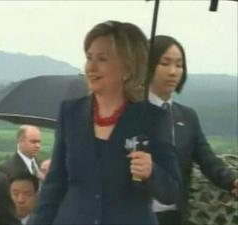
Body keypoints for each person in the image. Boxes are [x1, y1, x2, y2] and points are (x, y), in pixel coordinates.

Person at [30, 21, 180, 225]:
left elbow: (172, 191)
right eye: (89, 58)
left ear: (128, 67)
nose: (91, 67)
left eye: (102, 59)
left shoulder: (153, 119)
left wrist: (151, 171)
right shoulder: (71, 112)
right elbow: (55, 185)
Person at [148, 35, 238, 225]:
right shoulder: (129, 112)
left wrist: (232, 181)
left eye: (179, 65)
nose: (173, 72)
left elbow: (208, 160)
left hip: (171, 216)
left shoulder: (186, 117)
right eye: (165, 63)